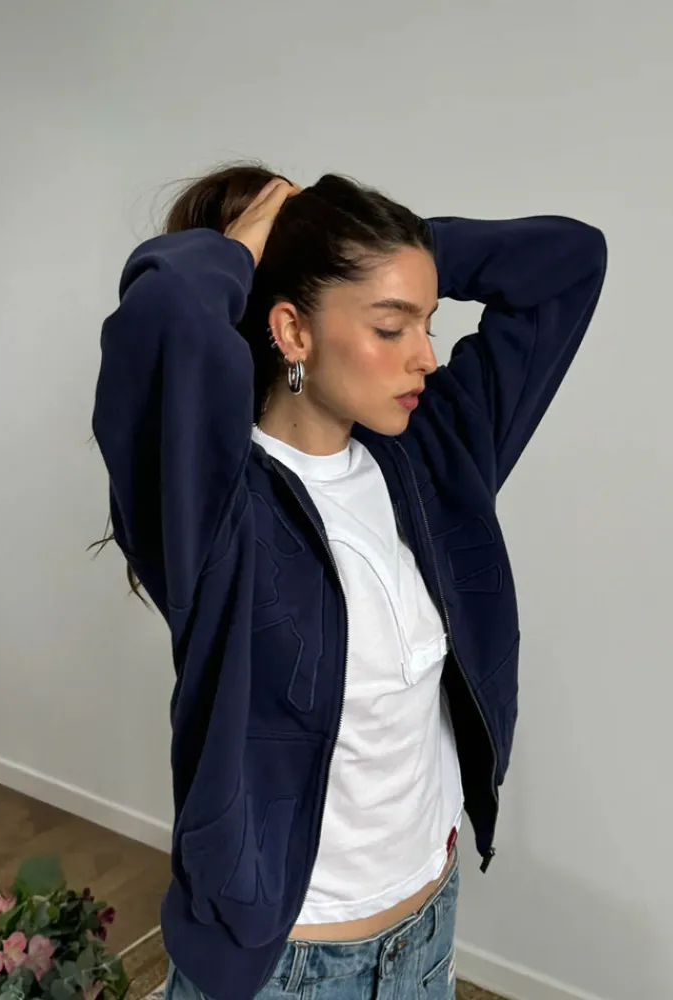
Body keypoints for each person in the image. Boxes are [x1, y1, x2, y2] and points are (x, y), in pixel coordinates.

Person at [92, 165, 607, 1000]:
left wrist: (371, 249)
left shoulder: (431, 456)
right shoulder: (211, 509)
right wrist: (245, 252)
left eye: (428, 323)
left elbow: (570, 261)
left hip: (426, 930)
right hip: (288, 966)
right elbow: (164, 317)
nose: (426, 356)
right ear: (292, 330)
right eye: (391, 326)